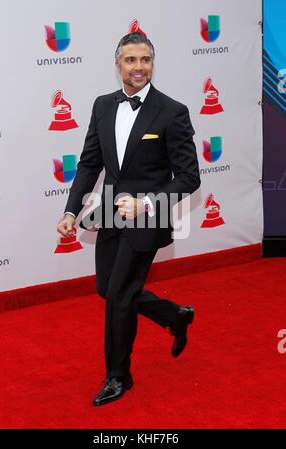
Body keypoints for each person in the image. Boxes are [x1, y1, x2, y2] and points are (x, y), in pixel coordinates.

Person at [57, 31, 201, 406]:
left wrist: (148, 203)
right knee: (107, 288)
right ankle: (174, 315)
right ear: (118, 64)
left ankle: (118, 376)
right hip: (109, 211)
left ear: (153, 63)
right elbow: (90, 164)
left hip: (147, 217)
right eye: (131, 60)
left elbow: (189, 176)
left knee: (119, 296)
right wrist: (71, 210)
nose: (138, 68)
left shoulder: (172, 111)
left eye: (145, 60)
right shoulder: (103, 105)